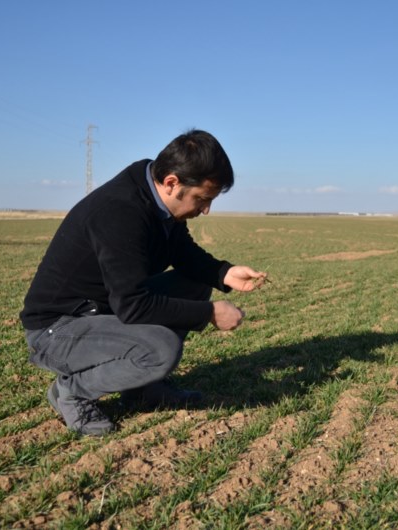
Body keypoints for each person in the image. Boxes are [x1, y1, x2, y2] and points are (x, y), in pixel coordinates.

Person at [20, 129, 267, 436]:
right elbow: (133, 305)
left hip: (104, 310)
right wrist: (210, 313)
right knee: (160, 349)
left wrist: (224, 273)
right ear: (172, 182)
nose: (205, 210)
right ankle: (72, 391)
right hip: (58, 329)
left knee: (195, 283)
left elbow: (182, 251)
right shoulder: (120, 210)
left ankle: (143, 389)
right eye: (202, 199)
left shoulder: (154, 198)